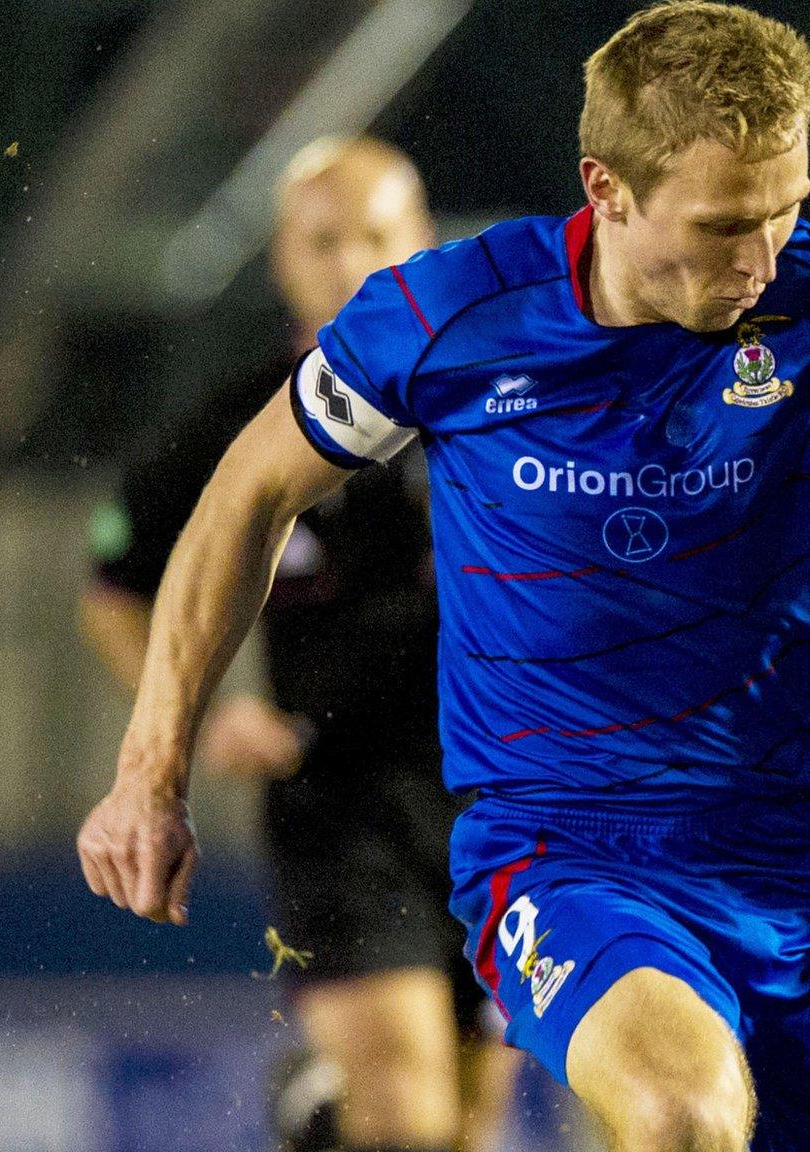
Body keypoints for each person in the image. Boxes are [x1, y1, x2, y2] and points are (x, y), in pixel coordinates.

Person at [75, 4, 810, 1151]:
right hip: (563, 847)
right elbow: (245, 494)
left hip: (800, 855)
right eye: (722, 224)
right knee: (678, 1113)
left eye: (785, 211)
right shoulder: (451, 315)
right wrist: (150, 770)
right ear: (606, 189)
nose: (758, 260)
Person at [80, 136, 518, 1152]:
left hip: (502, 802)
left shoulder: (503, 404)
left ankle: (318, 1122)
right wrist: (198, 716)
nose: (347, 262)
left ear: (420, 245)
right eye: (321, 240)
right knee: (407, 1121)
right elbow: (114, 592)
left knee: (469, 1125)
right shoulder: (233, 425)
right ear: (283, 256)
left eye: (374, 235)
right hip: (341, 805)